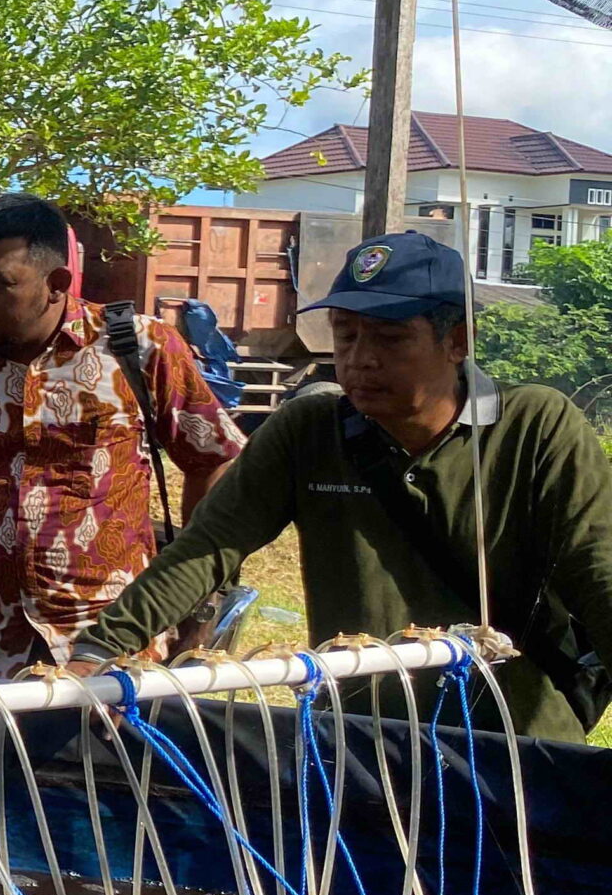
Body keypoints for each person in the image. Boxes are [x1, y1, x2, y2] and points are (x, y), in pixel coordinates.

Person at [74, 231, 612, 741]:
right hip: (358, 745)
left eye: (390, 337)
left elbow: (598, 571)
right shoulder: (309, 432)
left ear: (457, 341)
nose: (360, 358)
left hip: (513, 747)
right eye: (346, 334)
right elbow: (207, 549)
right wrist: (99, 650)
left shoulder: (534, 425)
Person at [0, 195, 241, 676]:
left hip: (109, 643)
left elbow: (214, 457)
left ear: (56, 285)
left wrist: (198, 595)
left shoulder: (139, 348)